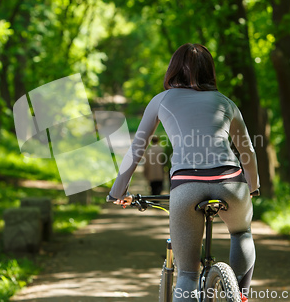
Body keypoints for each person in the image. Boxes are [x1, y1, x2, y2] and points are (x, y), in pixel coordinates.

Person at [108, 43, 260, 302]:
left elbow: (137, 150)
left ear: (173, 70)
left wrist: (117, 192)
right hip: (231, 183)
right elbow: (248, 152)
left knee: (188, 274)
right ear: (209, 71)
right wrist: (254, 186)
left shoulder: (161, 100)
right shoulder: (226, 102)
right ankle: (240, 295)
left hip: (186, 185)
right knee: (241, 232)